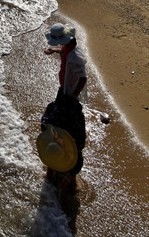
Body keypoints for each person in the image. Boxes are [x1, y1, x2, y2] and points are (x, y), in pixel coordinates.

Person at [40, 23, 88, 191]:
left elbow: (83, 78)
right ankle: (52, 171)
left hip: (69, 98)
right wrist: (53, 51)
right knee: (55, 127)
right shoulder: (67, 49)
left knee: (69, 132)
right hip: (64, 93)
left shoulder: (76, 56)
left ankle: (69, 178)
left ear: (66, 40)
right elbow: (63, 52)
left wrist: (74, 95)